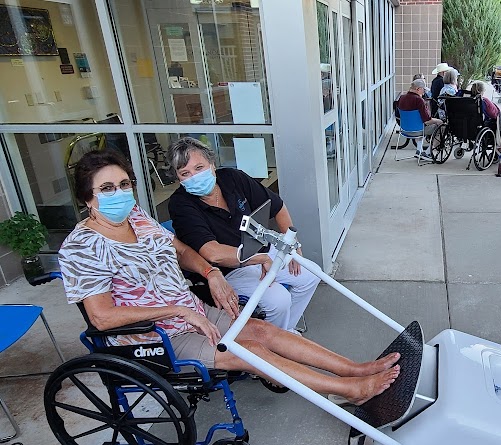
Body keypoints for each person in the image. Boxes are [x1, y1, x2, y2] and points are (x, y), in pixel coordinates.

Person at [59, 150, 401, 406]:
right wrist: (176, 313)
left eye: (124, 184)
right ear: (87, 198)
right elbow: (101, 317)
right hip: (154, 338)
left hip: (192, 311)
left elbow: (178, 249)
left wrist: (209, 273)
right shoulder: (81, 247)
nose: (119, 193)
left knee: (265, 331)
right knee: (249, 350)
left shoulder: (136, 217)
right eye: (106, 188)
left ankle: (355, 369)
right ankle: (350, 391)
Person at [166, 138, 320, 334]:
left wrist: (292, 242)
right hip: (229, 270)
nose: (194, 176)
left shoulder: (232, 178)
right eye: (185, 173)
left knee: (311, 274)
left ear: (212, 164)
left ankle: (285, 332)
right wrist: (257, 258)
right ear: (178, 178)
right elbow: (212, 253)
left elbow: (277, 205)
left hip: (260, 249)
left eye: (199, 167)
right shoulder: (181, 204)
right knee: (279, 301)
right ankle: (275, 347)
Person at [397, 79, 444, 159]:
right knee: (442, 126)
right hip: (418, 131)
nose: (424, 92)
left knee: (419, 123)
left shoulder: (401, 98)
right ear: (418, 89)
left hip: (404, 130)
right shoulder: (419, 100)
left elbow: (398, 116)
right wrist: (438, 121)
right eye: (423, 90)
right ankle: (428, 153)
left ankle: (419, 150)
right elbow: (427, 120)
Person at [472, 81, 501, 162]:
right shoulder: (484, 101)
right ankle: (498, 152)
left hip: (469, 126)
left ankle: (498, 152)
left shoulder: (467, 100)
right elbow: (495, 114)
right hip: (484, 126)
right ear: (482, 91)